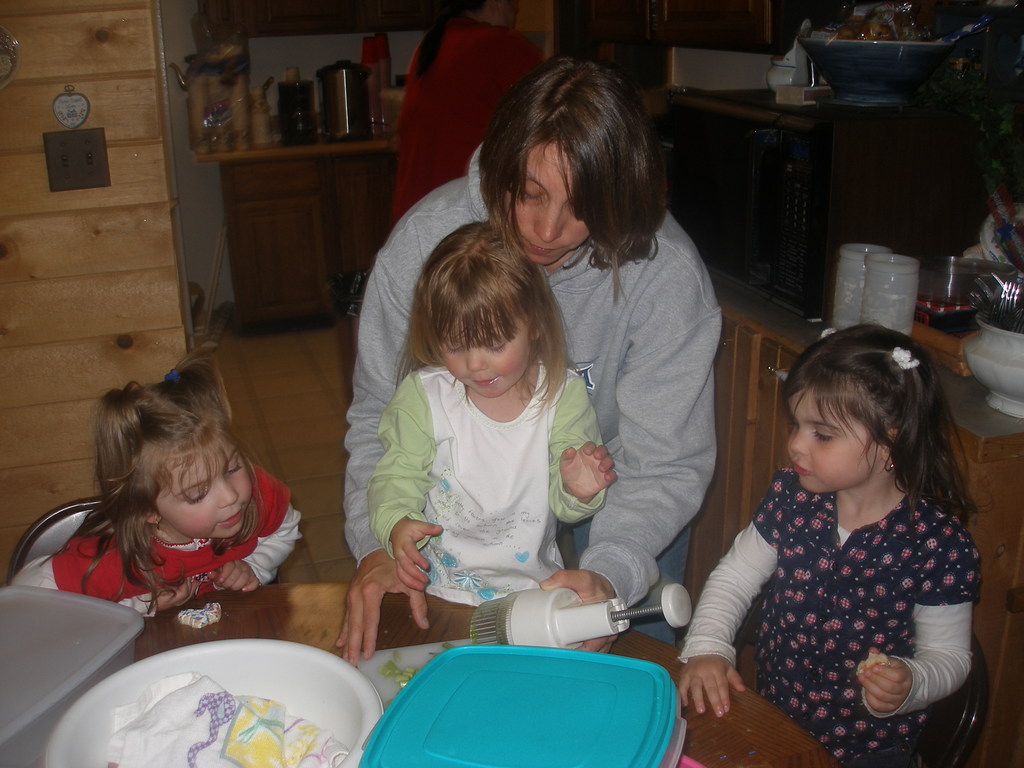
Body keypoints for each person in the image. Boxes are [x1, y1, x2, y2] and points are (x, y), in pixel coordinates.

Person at [338, 55, 721, 663]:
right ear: (500, 167)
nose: (546, 231)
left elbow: (664, 465)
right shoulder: (425, 244)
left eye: (581, 206)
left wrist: (612, 571)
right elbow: (378, 423)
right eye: (529, 194)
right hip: (456, 502)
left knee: (631, 659)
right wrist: (377, 545)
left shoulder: (665, 276)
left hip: (620, 480)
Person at [677, 325, 980, 768]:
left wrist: (911, 682)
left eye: (821, 434)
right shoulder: (791, 497)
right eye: (796, 425)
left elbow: (949, 657)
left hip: (871, 751)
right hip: (776, 724)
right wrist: (708, 644)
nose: (795, 445)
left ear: (890, 442)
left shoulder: (937, 545)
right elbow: (735, 577)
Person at [370, 221, 616, 604]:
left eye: (495, 344)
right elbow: (395, 475)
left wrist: (577, 490)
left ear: (535, 325)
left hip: (534, 593)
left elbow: (565, 506)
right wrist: (396, 522)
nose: (475, 365)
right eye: (455, 346)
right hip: (439, 589)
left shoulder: (562, 395)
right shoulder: (424, 397)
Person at [11, 352, 301, 615]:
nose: (231, 496)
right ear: (147, 509)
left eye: (233, 468)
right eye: (197, 494)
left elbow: (285, 529)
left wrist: (253, 567)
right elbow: (25, 596)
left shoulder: (256, 495)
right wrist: (140, 605)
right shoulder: (115, 561)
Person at [389, 0, 543, 223]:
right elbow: (554, 121)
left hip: (412, 221)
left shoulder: (428, 47)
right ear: (496, 3)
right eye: (513, 7)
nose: (514, 15)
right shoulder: (502, 45)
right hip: (457, 218)